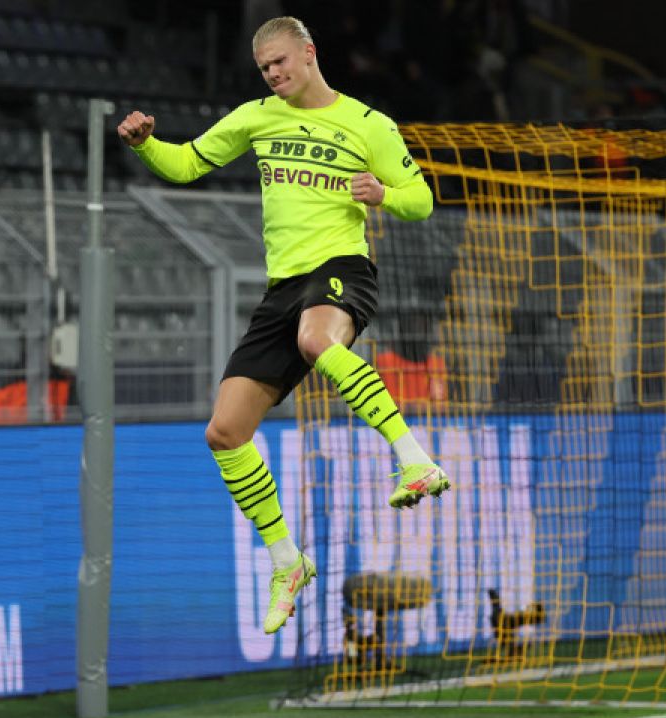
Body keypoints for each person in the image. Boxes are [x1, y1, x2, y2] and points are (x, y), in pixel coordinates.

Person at [118, 16, 450, 636]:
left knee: (316, 339)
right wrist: (144, 145)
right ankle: (286, 561)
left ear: (308, 53)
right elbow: (186, 165)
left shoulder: (369, 125)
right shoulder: (255, 117)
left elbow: (422, 200)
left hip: (342, 269)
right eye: (264, 67)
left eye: (280, 62)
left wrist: (384, 195)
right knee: (224, 430)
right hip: (282, 290)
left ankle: (413, 459)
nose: (272, 74)